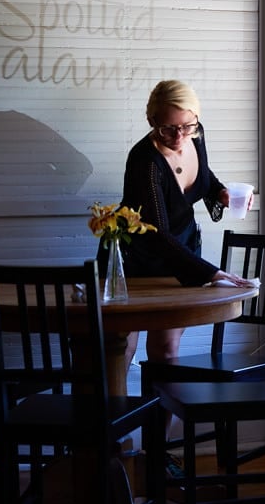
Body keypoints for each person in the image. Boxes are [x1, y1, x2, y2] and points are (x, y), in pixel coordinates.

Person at [105, 79, 255, 379]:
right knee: (122, 348)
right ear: (152, 122)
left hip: (181, 248)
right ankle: (115, 423)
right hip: (136, 258)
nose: (179, 136)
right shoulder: (144, 161)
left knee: (167, 350)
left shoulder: (195, 136)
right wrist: (211, 273)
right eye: (168, 129)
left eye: (187, 126)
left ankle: (159, 427)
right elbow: (158, 233)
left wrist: (221, 193)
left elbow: (204, 176)